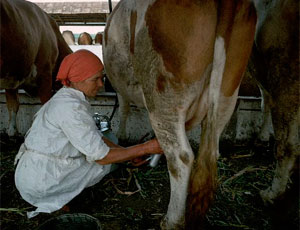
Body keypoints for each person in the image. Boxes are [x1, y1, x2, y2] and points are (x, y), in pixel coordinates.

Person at [14, 49, 163, 218]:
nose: (101, 84)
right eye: (96, 79)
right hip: (42, 180)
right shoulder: (71, 108)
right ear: (78, 80)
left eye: (102, 78)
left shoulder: (68, 97)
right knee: (104, 164)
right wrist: (146, 148)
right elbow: (101, 156)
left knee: (109, 148)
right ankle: (54, 200)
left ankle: (57, 197)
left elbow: (96, 137)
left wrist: (128, 155)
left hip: (32, 172)